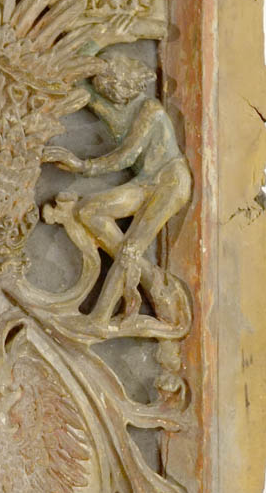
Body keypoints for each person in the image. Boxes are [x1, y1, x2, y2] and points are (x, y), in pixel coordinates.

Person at [43, 51, 191, 327]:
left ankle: (101, 316)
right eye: (104, 89)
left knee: (130, 248)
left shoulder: (150, 110)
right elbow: (81, 83)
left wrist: (81, 165)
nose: (109, 94)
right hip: (146, 182)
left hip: (170, 182)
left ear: (126, 83)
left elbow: (126, 156)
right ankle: (152, 279)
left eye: (112, 86)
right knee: (88, 211)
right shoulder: (108, 102)